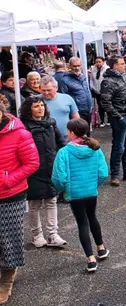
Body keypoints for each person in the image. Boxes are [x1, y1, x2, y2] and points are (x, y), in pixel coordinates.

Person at [52, 118, 109, 273]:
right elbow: (103, 173)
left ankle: (90, 259)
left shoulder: (64, 152)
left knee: (82, 223)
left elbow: (58, 177)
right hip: (91, 191)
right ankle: (101, 248)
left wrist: (63, 189)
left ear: (71, 133)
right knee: (92, 217)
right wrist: (93, 185)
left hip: (74, 193)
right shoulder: (95, 148)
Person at [0, 99, 40, 305]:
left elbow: (32, 162)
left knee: (8, 236)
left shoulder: (20, 134)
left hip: (10, 194)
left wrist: (8, 179)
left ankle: (7, 274)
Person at [20, 96, 67, 249]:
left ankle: (53, 234)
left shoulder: (51, 124)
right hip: (33, 171)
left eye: (41, 105)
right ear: (29, 110)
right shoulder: (24, 127)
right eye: (36, 106)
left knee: (51, 201)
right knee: (34, 203)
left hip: (51, 168)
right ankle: (37, 235)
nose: (40, 108)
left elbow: (62, 144)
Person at [100, 56, 126, 187]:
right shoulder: (107, 81)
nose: (125, 65)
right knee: (119, 147)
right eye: (122, 64)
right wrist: (118, 117)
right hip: (120, 116)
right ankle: (115, 175)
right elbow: (105, 103)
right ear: (114, 66)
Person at [88, 57, 107, 127]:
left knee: (106, 105)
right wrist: (93, 88)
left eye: (99, 62)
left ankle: (108, 120)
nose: (98, 63)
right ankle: (101, 120)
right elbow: (92, 80)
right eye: (97, 62)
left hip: (105, 91)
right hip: (97, 91)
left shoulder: (106, 69)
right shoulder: (93, 70)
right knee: (100, 106)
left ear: (103, 62)